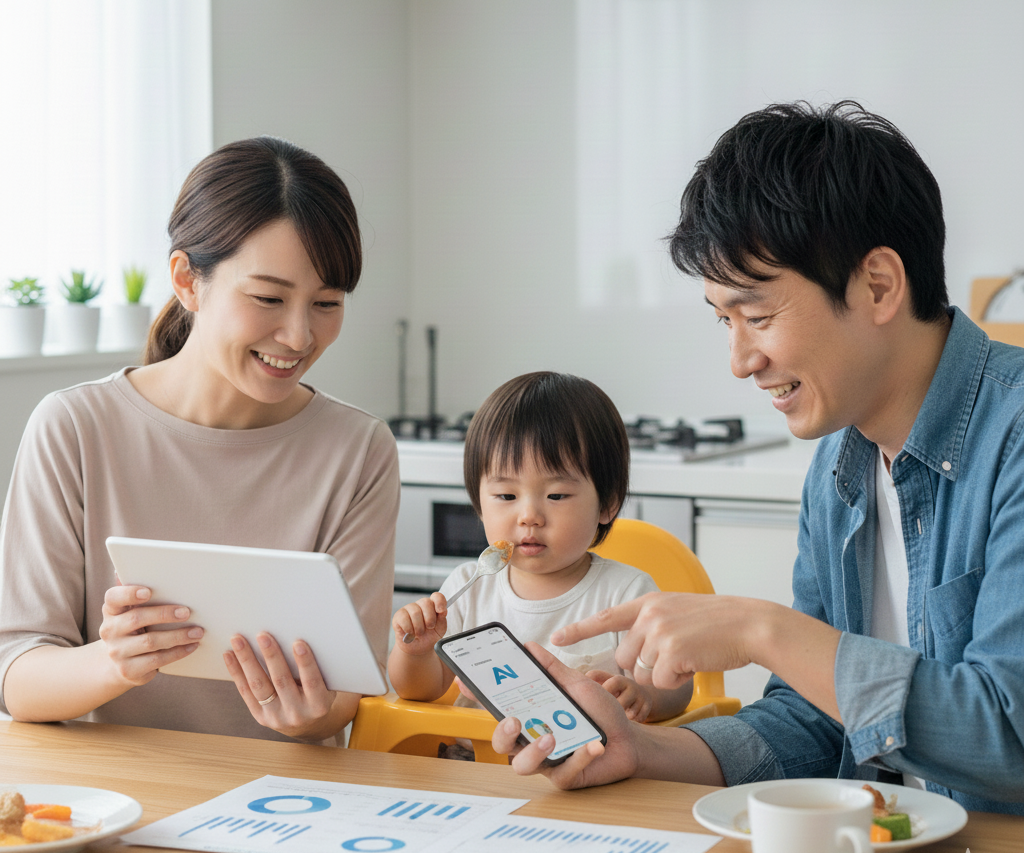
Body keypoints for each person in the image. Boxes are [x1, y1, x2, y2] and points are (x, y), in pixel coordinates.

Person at [485, 101, 1024, 815]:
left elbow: (1007, 738)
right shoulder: (840, 465)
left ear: (879, 285)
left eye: (759, 316)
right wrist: (640, 750)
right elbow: (813, 721)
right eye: (724, 321)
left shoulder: (1013, 434)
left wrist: (761, 629)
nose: (740, 361)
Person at [0, 137, 400, 744]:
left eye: (326, 303)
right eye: (268, 297)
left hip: (284, 810)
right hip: (113, 808)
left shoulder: (360, 450)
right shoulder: (75, 427)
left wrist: (311, 713)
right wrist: (112, 662)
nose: (298, 335)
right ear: (187, 280)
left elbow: (347, 694)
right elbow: (18, 675)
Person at [389, 371, 693, 728]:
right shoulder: (466, 588)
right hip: (476, 767)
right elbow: (418, 692)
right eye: (505, 496)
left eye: (556, 496)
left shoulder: (626, 594)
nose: (529, 516)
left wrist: (645, 696)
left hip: (591, 770)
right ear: (480, 504)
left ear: (607, 504)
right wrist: (415, 651)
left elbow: (678, 689)